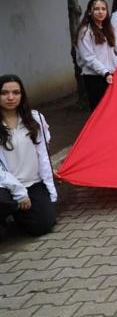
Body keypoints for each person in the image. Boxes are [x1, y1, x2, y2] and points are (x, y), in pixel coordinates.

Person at [0, 75, 57, 238]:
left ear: (22, 95)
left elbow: (44, 155)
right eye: (4, 93)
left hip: (33, 182)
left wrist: (50, 186)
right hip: (5, 186)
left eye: (16, 92)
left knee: (43, 225)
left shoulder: (35, 118)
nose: (11, 97)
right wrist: (18, 191)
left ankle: (16, 214)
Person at [76, 0, 117, 110]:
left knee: (115, 109)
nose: (100, 12)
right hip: (95, 78)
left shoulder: (107, 28)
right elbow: (89, 58)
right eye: (96, 9)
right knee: (100, 110)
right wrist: (105, 73)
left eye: (103, 9)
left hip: (110, 75)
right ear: (90, 11)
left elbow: (115, 45)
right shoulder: (85, 32)